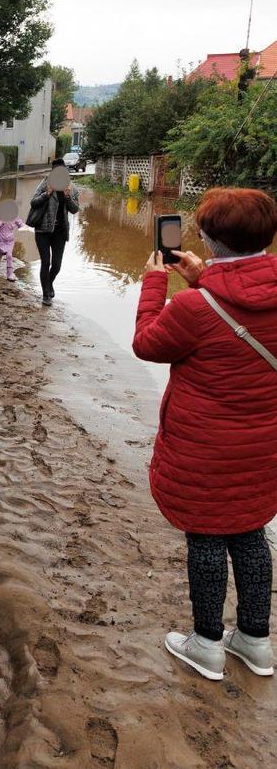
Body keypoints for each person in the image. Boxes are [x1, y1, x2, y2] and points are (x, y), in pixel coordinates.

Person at [133, 187, 277, 681]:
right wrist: (206, 279)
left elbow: (147, 343)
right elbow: (244, 307)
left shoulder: (194, 307)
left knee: (208, 540)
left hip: (204, 449)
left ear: (209, 239)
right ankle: (257, 642)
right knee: (252, 537)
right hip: (264, 449)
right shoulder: (214, 294)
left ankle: (208, 643)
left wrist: (156, 282)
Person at [30, 159, 79, 306]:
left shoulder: (71, 187)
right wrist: (47, 193)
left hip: (60, 232)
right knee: (46, 262)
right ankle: (46, 294)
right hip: (43, 231)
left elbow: (75, 209)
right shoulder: (45, 183)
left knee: (56, 265)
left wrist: (68, 197)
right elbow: (33, 202)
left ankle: (49, 283)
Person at [0, 213, 24, 282]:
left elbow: (20, 224)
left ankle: (10, 274)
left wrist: (26, 226)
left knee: (9, 255)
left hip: (9, 239)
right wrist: (1, 223)